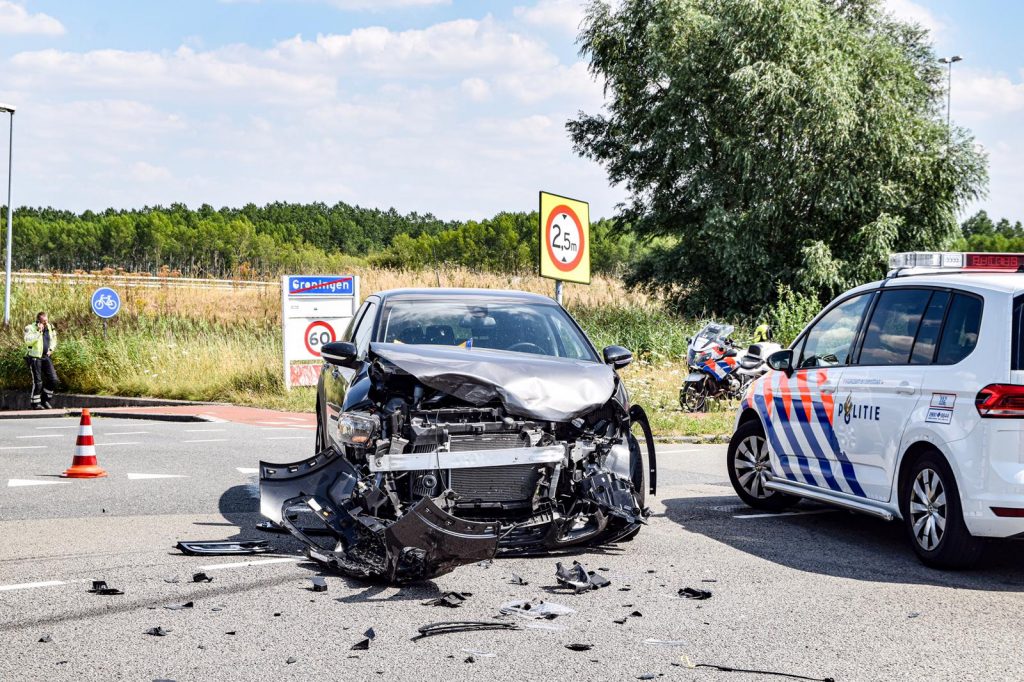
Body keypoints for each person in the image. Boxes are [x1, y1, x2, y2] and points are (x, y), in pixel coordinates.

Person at [24, 311, 58, 410]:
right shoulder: (30, 328)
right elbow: (28, 341)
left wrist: (51, 349)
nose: (45, 323)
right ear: (38, 321)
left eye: (46, 320)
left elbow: (54, 339)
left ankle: (45, 400)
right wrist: (38, 332)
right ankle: (35, 403)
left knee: (53, 380)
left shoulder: (50, 327)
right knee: (38, 382)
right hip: (35, 357)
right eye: (43, 321)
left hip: (46, 357)